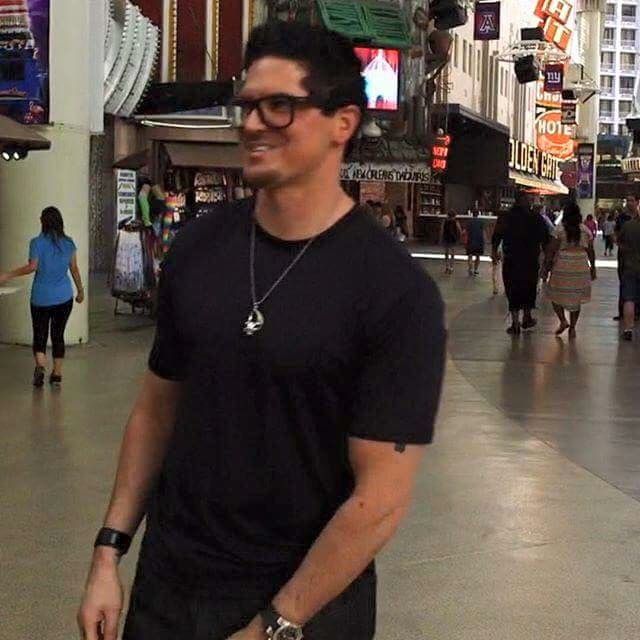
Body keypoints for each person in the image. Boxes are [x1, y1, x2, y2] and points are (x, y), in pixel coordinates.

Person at [77, 21, 446, 640]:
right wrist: (108, 554)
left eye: (279, 106)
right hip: (170, 590)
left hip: (305, 604)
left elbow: (380, 499)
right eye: (246, 105)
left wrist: (275, 623)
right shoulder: (198, 247)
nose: (251, 124)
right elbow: (155, 413)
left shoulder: (395, 292)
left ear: (342, 123)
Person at [0, 206, 84, 386]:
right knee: (58, 334)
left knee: (40, 333)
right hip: (64, 297)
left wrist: (8, 275)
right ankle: (57, 374)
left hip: (41, 298)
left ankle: (40, 366)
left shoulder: (36, 242)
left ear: (43, 222)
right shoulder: (69, 243)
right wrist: (81, 291)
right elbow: (74, 269)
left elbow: (32, 267)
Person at [492, 192, 550, 335]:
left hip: (511, 259)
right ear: (526, 202)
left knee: (512, 288)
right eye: (529, 200)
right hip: (530, 260)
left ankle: (515, 322)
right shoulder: (536, 218)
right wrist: (548, 259)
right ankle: (527, 317)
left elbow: (497, 235)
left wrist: (494, 252)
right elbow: (546, 239)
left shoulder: (505, 217)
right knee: (529, 287)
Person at [544, 202, 597, 338]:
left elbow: (551, 249)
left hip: (562, 265)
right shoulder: (585, 230)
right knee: (576, 298)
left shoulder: (559, 229)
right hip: (580, 265)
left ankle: (562, 320)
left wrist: (546, 266)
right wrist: (593, 268)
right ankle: (572, 327)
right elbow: (590, 250)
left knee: (554, 295)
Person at [617, 204, 640, 340]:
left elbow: (619, 242)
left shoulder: (628, 226)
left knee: (629, 299)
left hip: (630, 267)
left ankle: (628, 329)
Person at [614, 196, 639, 321]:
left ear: (637, 202)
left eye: (631, 200)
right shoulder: (622, 218)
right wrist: (621, 246)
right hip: (625, 256)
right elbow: (616, 235)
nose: (629, 203)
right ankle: (623, 311)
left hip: (632, 257)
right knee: (624, 283)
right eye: (627, 200)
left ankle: (636, 312)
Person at [465, 210, 484, 276]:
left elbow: (466, 231)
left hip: (470, 240)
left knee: (470, 256)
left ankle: (470, 269)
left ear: (472, 214)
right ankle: (476, 270)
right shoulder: (481, 222)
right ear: (478, 214)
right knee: (478, 256)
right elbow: (483, 231)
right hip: (479, 241)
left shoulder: (469, 222)